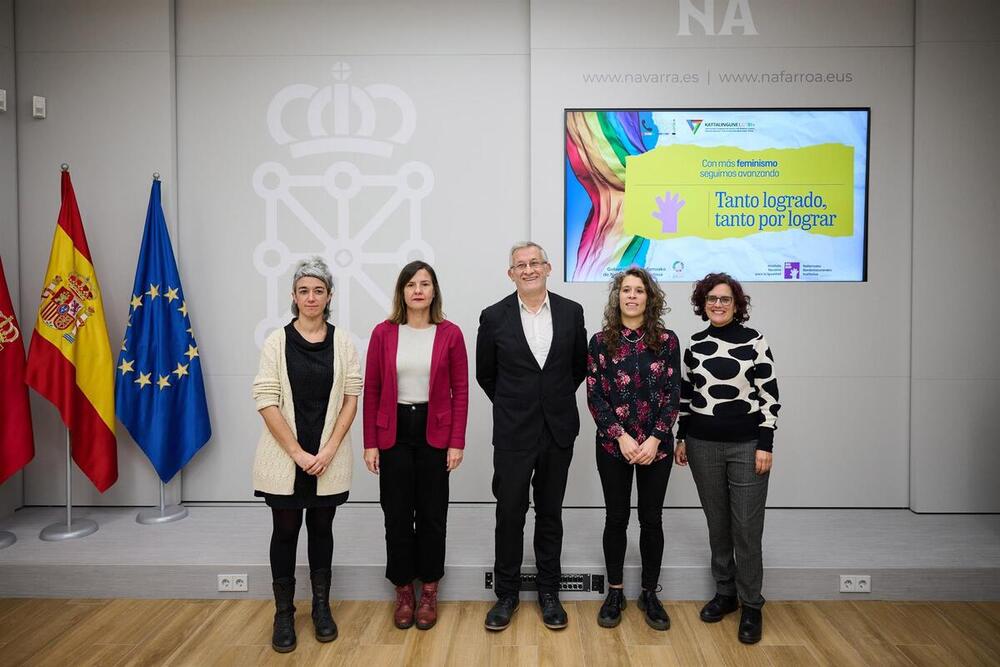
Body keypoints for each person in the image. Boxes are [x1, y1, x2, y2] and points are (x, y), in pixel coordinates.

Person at [252, 257, 362, 653]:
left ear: (329, 296)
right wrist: (298, 453)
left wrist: (328, 450)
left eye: (318, 290)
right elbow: (266, 399)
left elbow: (351, 397)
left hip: (328, 457)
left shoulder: (344, 341)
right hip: (286, 457)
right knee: (284, 531)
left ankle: (320, 607)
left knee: (322, 529)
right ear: (293, 297)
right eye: (303, 290)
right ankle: (284, 613)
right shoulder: (276, 342)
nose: (311, 297)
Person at [476, 241, 587, 631]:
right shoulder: (493, 317)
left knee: (550, 514)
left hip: (557, 430)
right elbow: (485, 375)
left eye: (534, 263)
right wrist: (516, 405)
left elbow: (577, 369)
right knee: (509, 514)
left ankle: (549, 593)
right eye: (519, 265)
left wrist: (548, 402)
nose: (528, 270)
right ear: (511, 273)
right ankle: (505, 595)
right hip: (513, 432)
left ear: (548, 267)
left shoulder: (572, 313)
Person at [674, 273, 780, 645]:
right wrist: (681, 436)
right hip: (702, 445)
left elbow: (769, 396)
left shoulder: (755, 341)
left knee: (746, 530)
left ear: (737, 305)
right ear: (703, 304)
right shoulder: (695, 344)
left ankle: (751, 604)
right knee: (718, 525)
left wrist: (765, 444)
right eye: (711, 299)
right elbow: (686, 396)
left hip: (747, 445)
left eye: (725, 299)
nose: (718, 305)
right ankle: (726, 594)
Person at [363, 261, 469, 631]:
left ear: (434, 290)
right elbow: (372, 389)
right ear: (402, 292)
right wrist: (370, 443)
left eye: (425, 284)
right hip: (392, 431)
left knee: (431, 515)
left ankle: (428, 590)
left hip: (434, 433)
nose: (418, 290)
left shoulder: (451, 333)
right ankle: (403, 590)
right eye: (411, 284)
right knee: (396, 515)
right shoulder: (383, 333)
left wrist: (456, 442)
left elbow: (461, 391)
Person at [586, 268, 680, 631]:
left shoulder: (667, 341)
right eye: (626, 289)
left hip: (656, 446)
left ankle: (649, 593)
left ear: (648, 297)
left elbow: (674, 394)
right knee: (616, 518)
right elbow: (594, 393)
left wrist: (656, 437)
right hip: (614, 446)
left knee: (651, 519)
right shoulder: (600, 341)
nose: (632, 296)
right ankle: (614, 592)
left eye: (639, 290)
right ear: (618, 297)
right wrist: (620, 437)